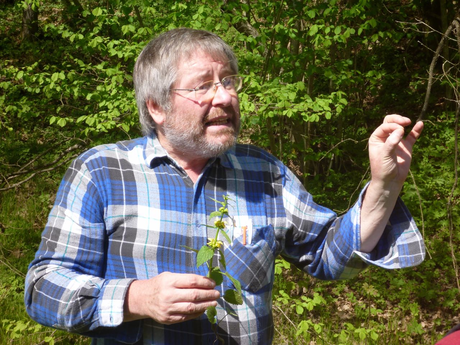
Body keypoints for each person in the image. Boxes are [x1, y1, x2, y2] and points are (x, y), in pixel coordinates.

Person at [25, 28, 425, 345]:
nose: (225, 96)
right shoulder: (102, 171)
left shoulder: (264, 173)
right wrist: (137, 299)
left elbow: (328, 255)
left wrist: (384, 184)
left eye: (229, 81)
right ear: (157, 107)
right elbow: (43, 288)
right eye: (203, 86)